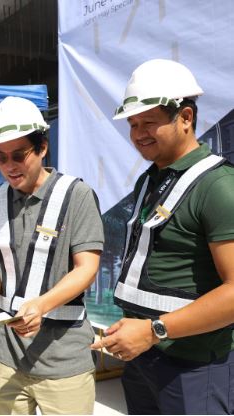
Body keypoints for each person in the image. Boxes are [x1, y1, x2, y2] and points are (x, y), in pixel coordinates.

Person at [91, 59, 234, 414]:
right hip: (142, 358)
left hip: (194, 368)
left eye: (149, 122)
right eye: (133, 124)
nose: (138, 133)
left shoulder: (218, 187)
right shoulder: (150, 180)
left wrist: (153, 330)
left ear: (185, 117)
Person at [0, 96, 104, 415]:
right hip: (6, 355)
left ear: (42, 147)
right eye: (0, 157)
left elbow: (87, 268)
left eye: (19, 155)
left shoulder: (76, 195)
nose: (10, 166)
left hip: (64, 359)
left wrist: (41, 305)